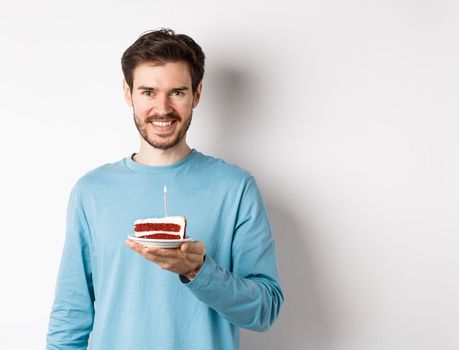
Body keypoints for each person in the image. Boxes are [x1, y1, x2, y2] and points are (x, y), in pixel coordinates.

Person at [46, 28, 284, 349]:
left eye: (177, 92)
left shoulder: (236, 189)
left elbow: (265, 310)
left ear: (196, 94)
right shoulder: (91, 192)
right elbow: (69, 317)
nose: (163, 108)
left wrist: (199, 271)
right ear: (128, 93)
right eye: (148, 92)